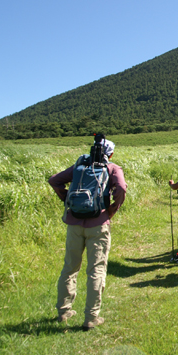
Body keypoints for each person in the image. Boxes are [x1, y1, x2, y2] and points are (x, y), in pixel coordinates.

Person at [49, 134, 127, 331]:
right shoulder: (111, 168)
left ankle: (63, 311)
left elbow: (54, 180)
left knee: (69, 267)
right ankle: (91, 317)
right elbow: (122, 188)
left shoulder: (79, 167)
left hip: (74, 223)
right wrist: (112, 209)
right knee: (96, 269)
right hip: (98, 223)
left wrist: (67, 199)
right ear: (111, 153)